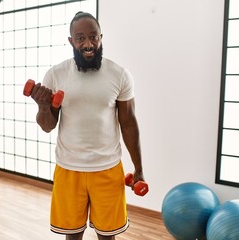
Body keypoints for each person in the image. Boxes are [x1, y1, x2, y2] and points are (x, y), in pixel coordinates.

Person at [29, 11, 144, 240]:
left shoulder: (119, 75)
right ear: (71, 41)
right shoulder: (56, 74)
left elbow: (129, 122)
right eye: (80, 38)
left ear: (101, 37)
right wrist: (43, 106)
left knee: (107, 236)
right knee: (72, 235)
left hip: (108, 168)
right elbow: (47, 126)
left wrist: (138, 168)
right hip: (69, 169)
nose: (88, 43)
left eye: (93, 36)